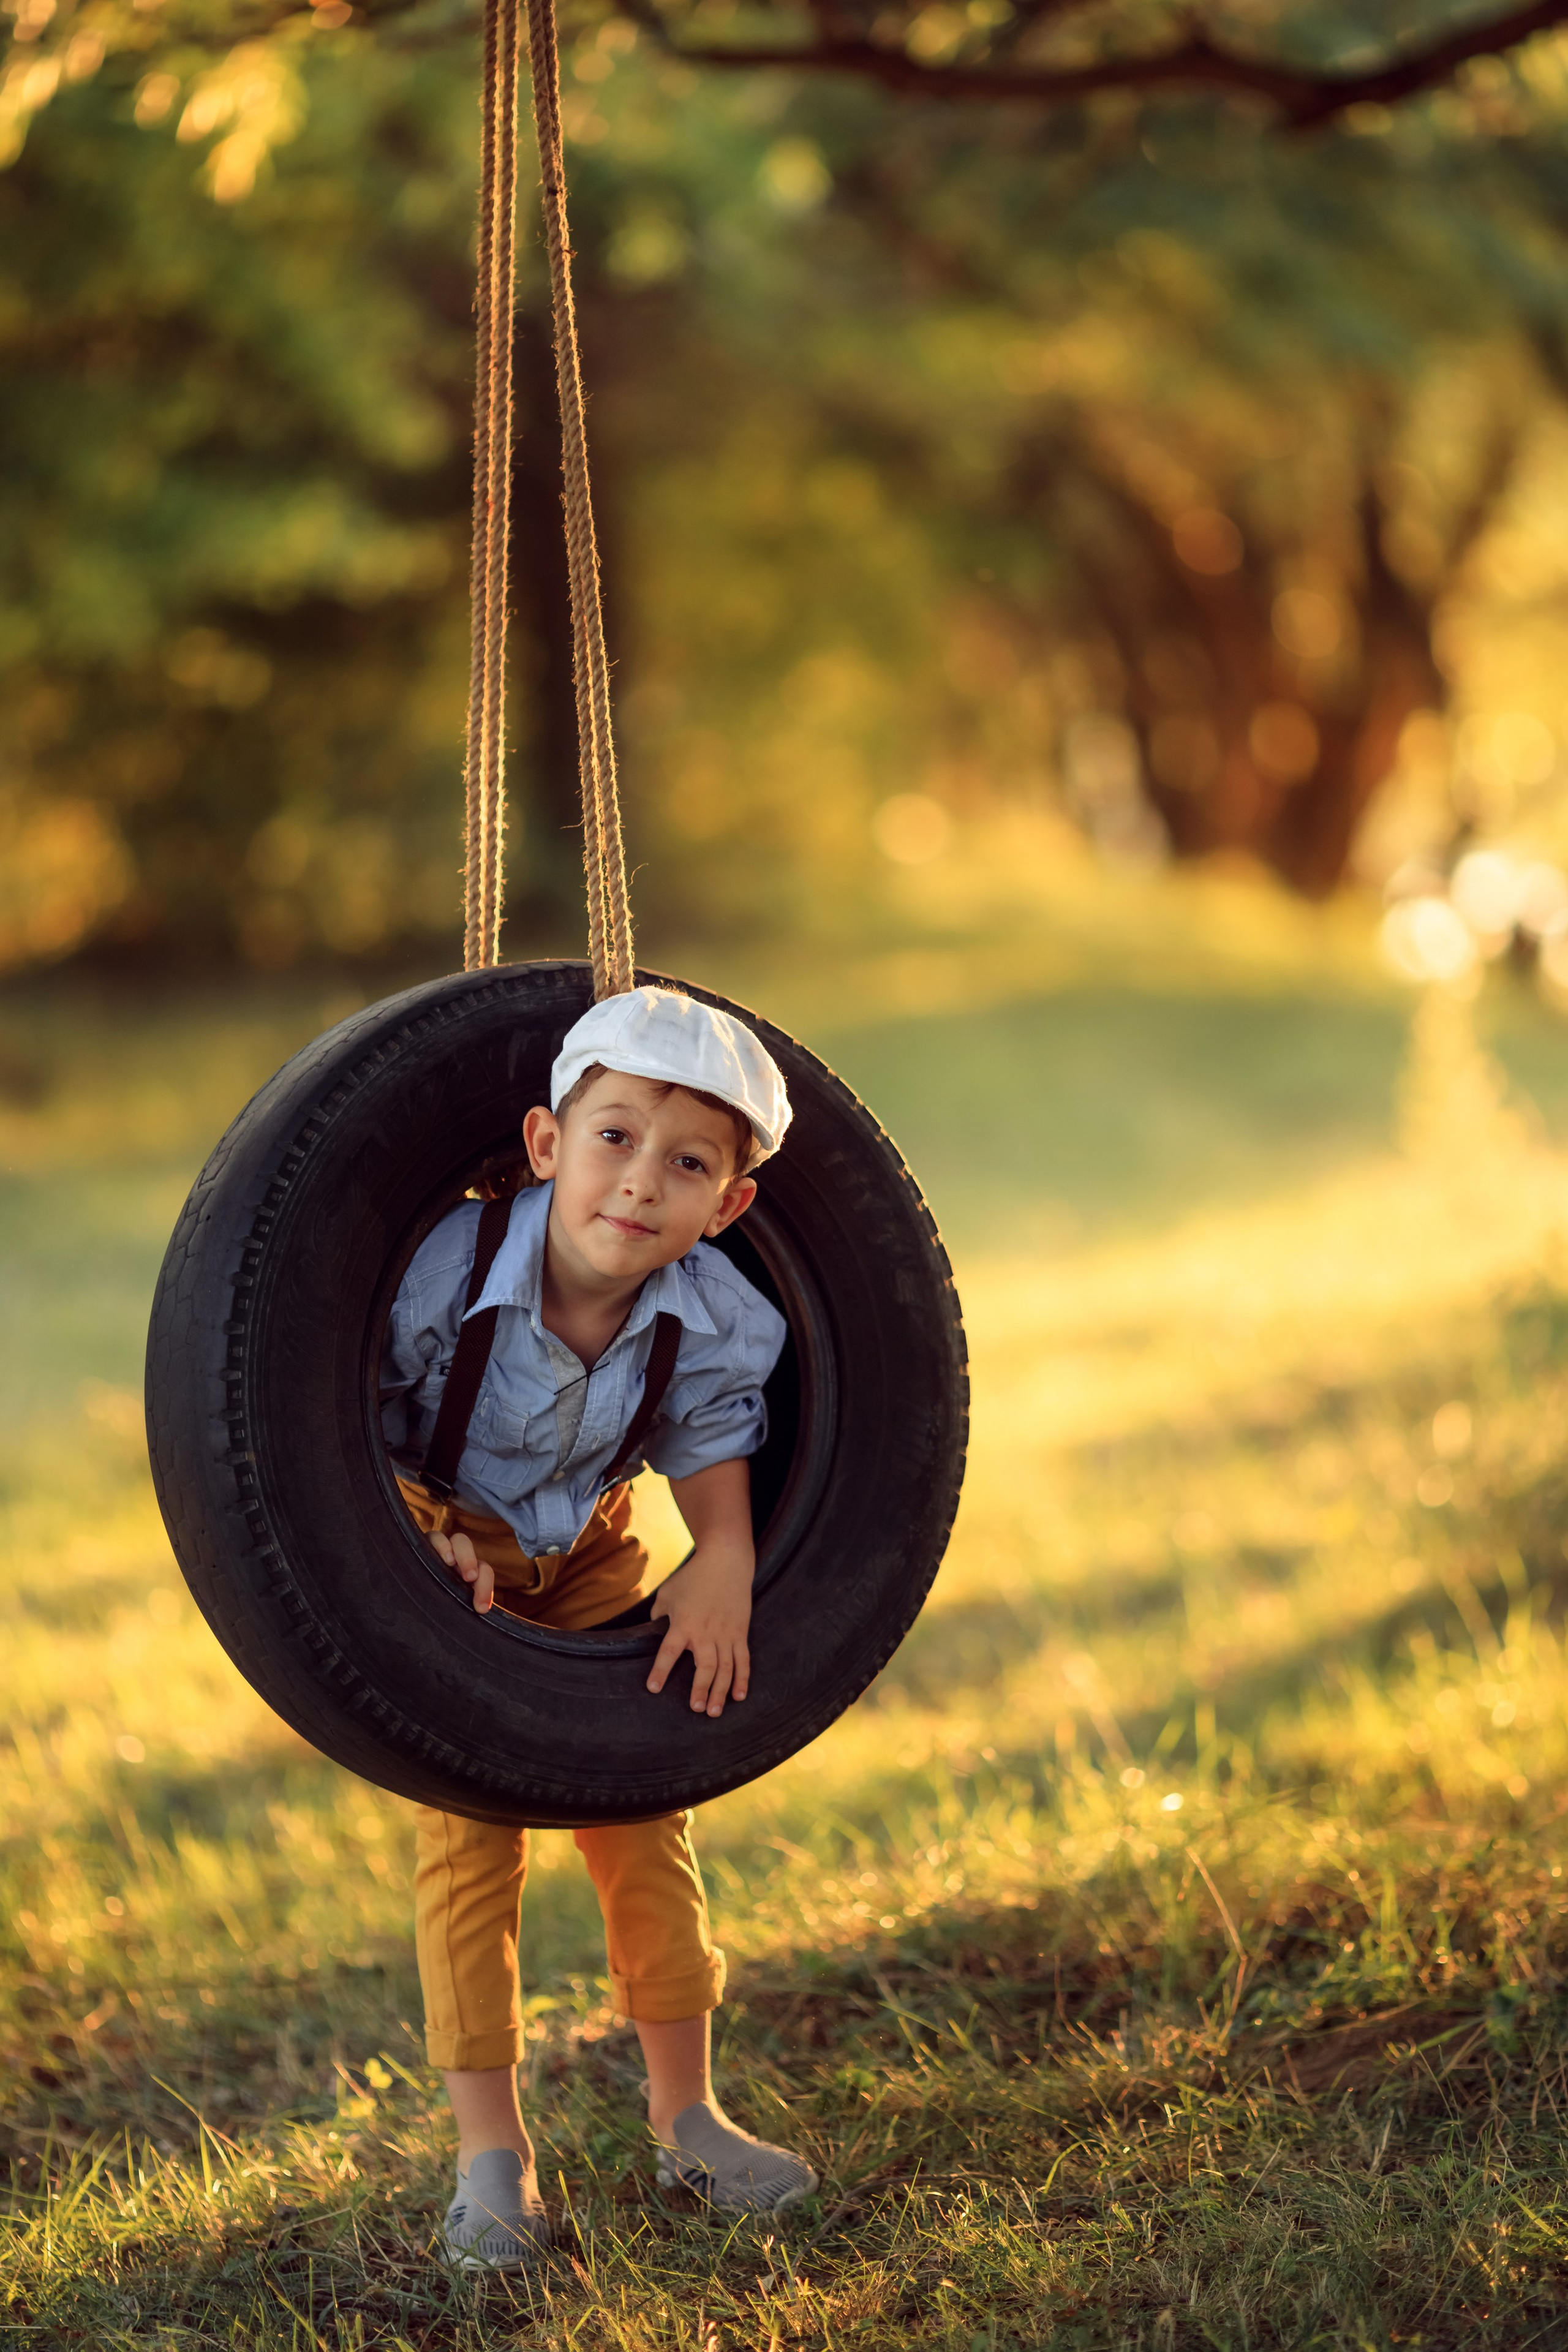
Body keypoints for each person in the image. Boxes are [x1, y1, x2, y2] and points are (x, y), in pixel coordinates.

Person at [379, 986, 818, 2268]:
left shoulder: (721, 1316)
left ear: (726, 1206)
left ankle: (688, 2114)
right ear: (545, 1145)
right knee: (471, 1844)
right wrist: (418, 1536)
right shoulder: (440, 1269)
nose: (638, 1184)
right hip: (439, 1550)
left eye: (686, 1164)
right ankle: (490, 2161)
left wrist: (723, 1553)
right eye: (613, 1138)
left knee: (642, 1813)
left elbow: (711, 1439)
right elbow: (330, 1420)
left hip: (593, 1554)